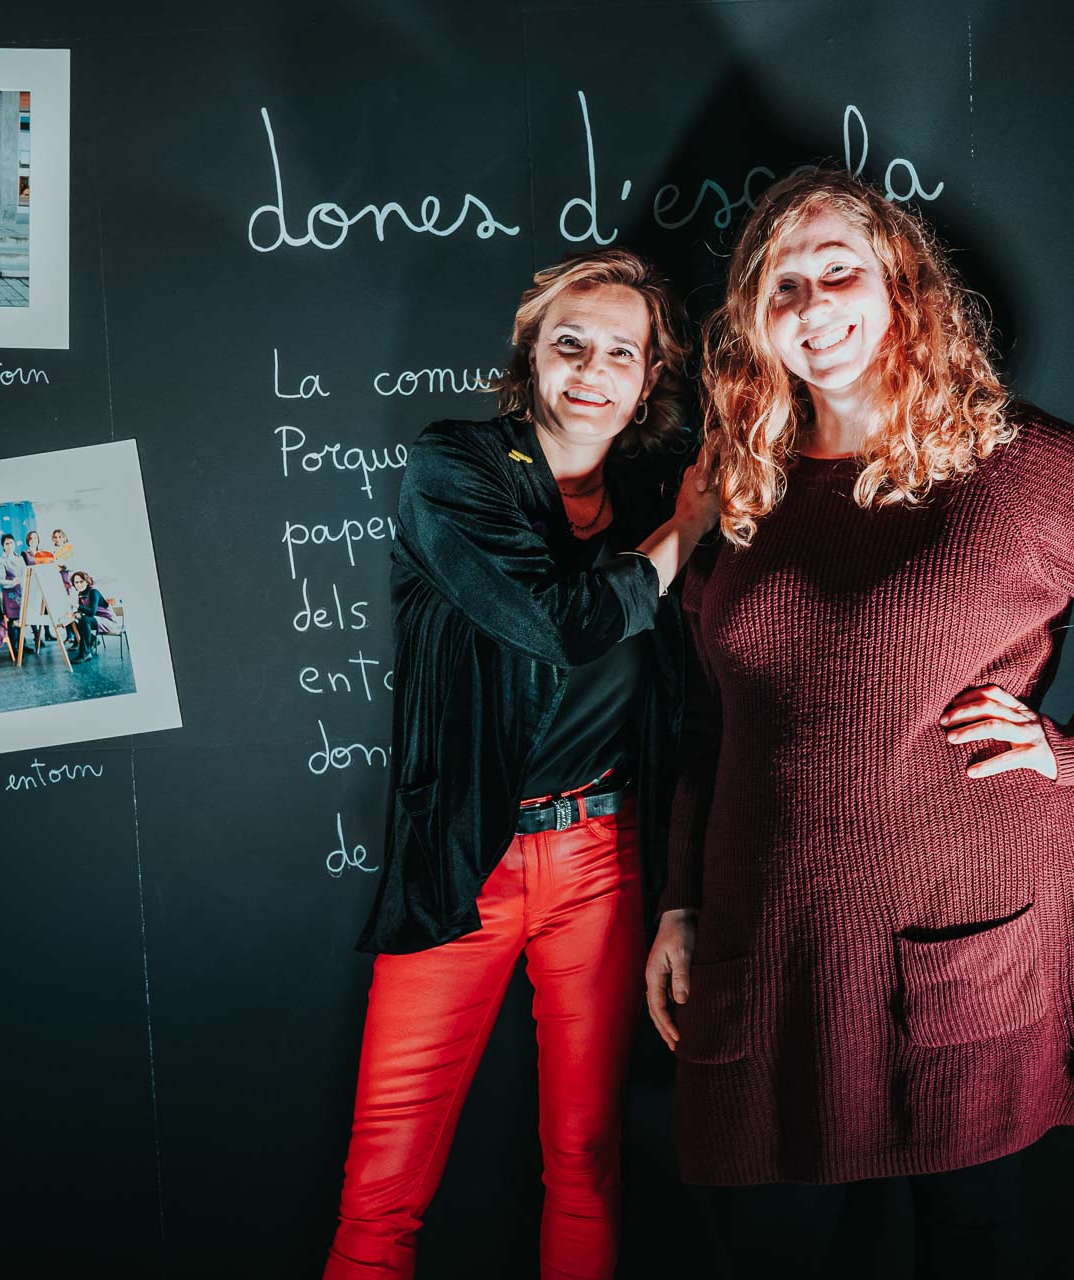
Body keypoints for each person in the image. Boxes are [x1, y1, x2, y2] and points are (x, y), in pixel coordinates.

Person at [642, 169, 1074, 1276]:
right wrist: (681, 898)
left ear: (901, 288)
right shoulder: (743, 480)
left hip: (955, 927)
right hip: (768, 939)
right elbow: (707, 718)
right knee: (775, 1246)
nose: (814, 305)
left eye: (839, 271)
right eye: (784, 285)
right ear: (753, 317)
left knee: (969, 1242)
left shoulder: (1008, 462)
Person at [324, 248, 718, 1280]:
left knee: (587, 1160)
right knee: (382, 1188)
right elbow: (556, 625)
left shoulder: (647, 489)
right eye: (569, 343)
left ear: (648, 378)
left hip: (603, 858)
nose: (592, 369)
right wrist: (685, 532)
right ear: (530, 356)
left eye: (621, 352)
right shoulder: (454, 468)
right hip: (465, 862)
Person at [65, 571, 105, 662]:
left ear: (87, 581)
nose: (79, 584)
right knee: (70, 622)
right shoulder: (81, 594)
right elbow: (84, 610)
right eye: (76, 582)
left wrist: (77, 606)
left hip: (105, 620)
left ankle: (85, 653)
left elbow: (92, 612)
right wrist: (75, 614)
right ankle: (93, 640)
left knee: (84, 620)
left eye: (81, 581)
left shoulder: (93, 592)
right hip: (95, 619)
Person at [0, 532, 26, 646]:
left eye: (11, 543)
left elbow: (25, 573)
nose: (9, 546)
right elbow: (1, 580)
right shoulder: (1, 560)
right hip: (10, 594)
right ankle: (14, 647)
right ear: (3, 546)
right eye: (6, 543)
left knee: (21, 618)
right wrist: (13, 582)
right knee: (12, 620)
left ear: (14, 544)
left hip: (21, 591)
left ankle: (23, 644)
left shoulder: (20, 557)